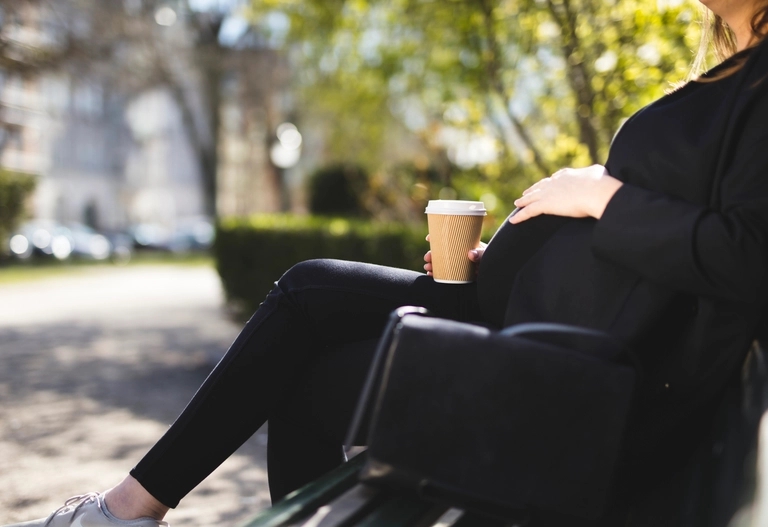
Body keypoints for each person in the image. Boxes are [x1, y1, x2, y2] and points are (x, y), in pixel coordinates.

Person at [7, 0, 768, 525]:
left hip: (575, 372)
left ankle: (126, 508)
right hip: (524, 319)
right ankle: (129, 508)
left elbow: (745, 258)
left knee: (306, 294)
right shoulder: (736, 76)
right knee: (309, 362)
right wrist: (504, 258)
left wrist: (598, 195)